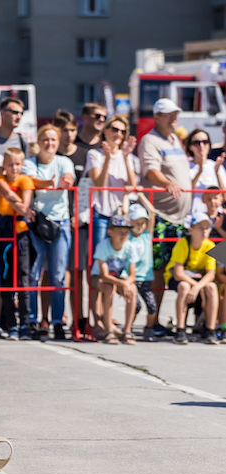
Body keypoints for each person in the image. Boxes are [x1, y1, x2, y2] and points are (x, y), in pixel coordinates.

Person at [139, 98, 192, 331]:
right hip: (161, 216)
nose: (174, 118)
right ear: (157, 117)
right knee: (158, 269)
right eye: (169, 114)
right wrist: (168, 183)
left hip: (181, 218)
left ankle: (183, 322)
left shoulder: (175, 140)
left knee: (179, 268)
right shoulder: (150, 140)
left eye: (176, 114)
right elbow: (150, 171)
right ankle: (154, 321)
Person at [23, 125, 75, 341]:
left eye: (53, 140)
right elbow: (30, 181)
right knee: (34, 275)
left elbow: (68, 178)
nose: (50, 143)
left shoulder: (63, 161)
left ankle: (57, 321)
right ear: (39, 141)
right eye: (45, 139)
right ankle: (33, 320)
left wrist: (64, 182)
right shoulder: (29, 162)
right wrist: (49, 183)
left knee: (57, 277)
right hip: (37, 223)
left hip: (60, 222)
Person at [0, 147, 34, 339]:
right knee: (6, 275)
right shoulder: (0, 179)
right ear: (4, 166)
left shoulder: (25, 180)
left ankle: (25, 323)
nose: (14, 168)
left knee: (23, 276)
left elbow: (25, 204)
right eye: (10, 164)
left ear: (22, 165)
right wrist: (20, 205)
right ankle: (10, 324)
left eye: (17, 164)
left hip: (20, 230)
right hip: (4, 228)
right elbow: (11, 197)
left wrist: (20, 206)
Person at [53, 110, 90, 334]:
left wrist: (80, 214)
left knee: (77, 272)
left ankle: (79, 319)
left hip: (78, 221)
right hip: (56, 221)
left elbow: (86, 190)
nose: (69, 134)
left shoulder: (84, 155)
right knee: (54, 274)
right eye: (65, 130)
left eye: (73, 130)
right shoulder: (52, 153)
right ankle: (52, 319)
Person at [84, 116, 138, 255]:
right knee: (98, 256)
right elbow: (99, 185)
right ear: (105, 131)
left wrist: (126, 158)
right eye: (115, 129)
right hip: (101, 213)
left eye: (122, 131)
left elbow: (132, 185)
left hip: (121, 214)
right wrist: (107, 159)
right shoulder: (94, 154)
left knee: (118, 257)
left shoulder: (126, 155)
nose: (118, 134)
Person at [164, 213, 219, 345]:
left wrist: (198, 287)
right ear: (191, 229)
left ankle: (211, 330)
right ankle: (180, 330)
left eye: (207, 228)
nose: (204, 231)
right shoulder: (182, 244)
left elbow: (211, 274)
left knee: (212, 287)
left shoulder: (210, 245)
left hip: (197, 281)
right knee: (184, 286)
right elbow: (178, 273)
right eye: (201, 228)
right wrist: (196, 287)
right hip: (179, 278)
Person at [90, 215, 138, 345]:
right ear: (110, 232)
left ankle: (127, 331)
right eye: (120, 231)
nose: (124, 235)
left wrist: (127, 284)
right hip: (99, 278)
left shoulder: (129, 246)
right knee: (109, 288)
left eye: (126, 232)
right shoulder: (103, 246)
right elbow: (104, 275)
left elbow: (132, 274)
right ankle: (108, 330)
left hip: (118, 278)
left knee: (132, 289)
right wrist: (123, 283)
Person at [124, 195, 157, 341]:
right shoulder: (127, 236)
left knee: (152, 307)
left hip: (145, 277)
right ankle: (128, 328)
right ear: (130, 222)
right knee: (135, 306)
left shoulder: (146, 236)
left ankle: (149, 328)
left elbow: (152, 212)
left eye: (143, 222)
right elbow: (124, 212)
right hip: (131, 278)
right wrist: (126, 195)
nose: (141, 225)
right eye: (137, 222)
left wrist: (141, 195)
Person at [186, 128, 226, 216]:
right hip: (194, 218)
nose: (201, 145)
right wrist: (199, 171)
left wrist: (217, 173)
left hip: (216, 217)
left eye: (205, 142)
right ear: (190, 147)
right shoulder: (185, 166)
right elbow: (186, 194)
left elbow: (224, 196)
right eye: (196, 143)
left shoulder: (215, 165)